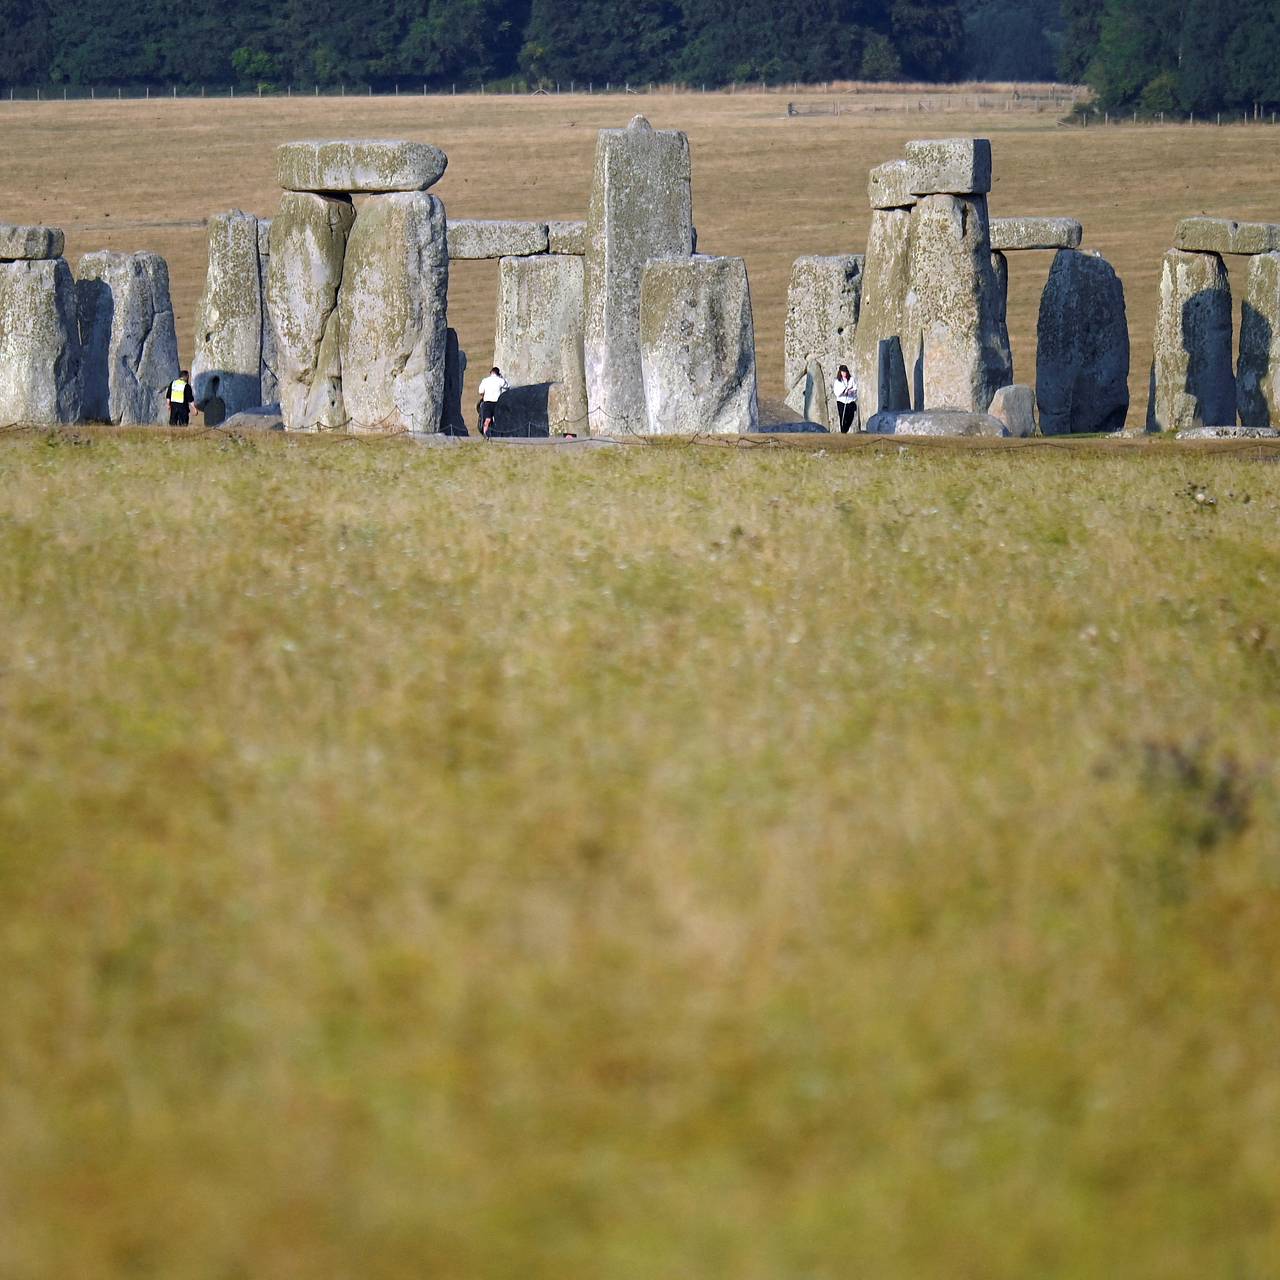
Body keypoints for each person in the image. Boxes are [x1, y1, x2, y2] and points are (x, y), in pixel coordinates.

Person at [476, 366, 508, 437]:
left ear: (491, 373)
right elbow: (507, 386)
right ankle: (499, 435)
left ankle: (485, 434)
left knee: (487, 419)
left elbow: (480, 391)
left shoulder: (485, 380)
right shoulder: (500, 380)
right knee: (498, 419)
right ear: (498, 373)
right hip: (497, 402)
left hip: (487, 402)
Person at [832, 364, 858, 434]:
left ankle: (845, 430)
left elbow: (855, 388)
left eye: (845, 372)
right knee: (843, 417)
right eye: (843, 372)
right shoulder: (837, 381)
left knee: (850, 416)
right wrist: (844, 391)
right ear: (840, 372)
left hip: (850, 400)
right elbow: (836, 392)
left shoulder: (851, 379)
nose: (844, 373)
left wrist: (851, 391)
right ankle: (843, 431)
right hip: (841, 401)